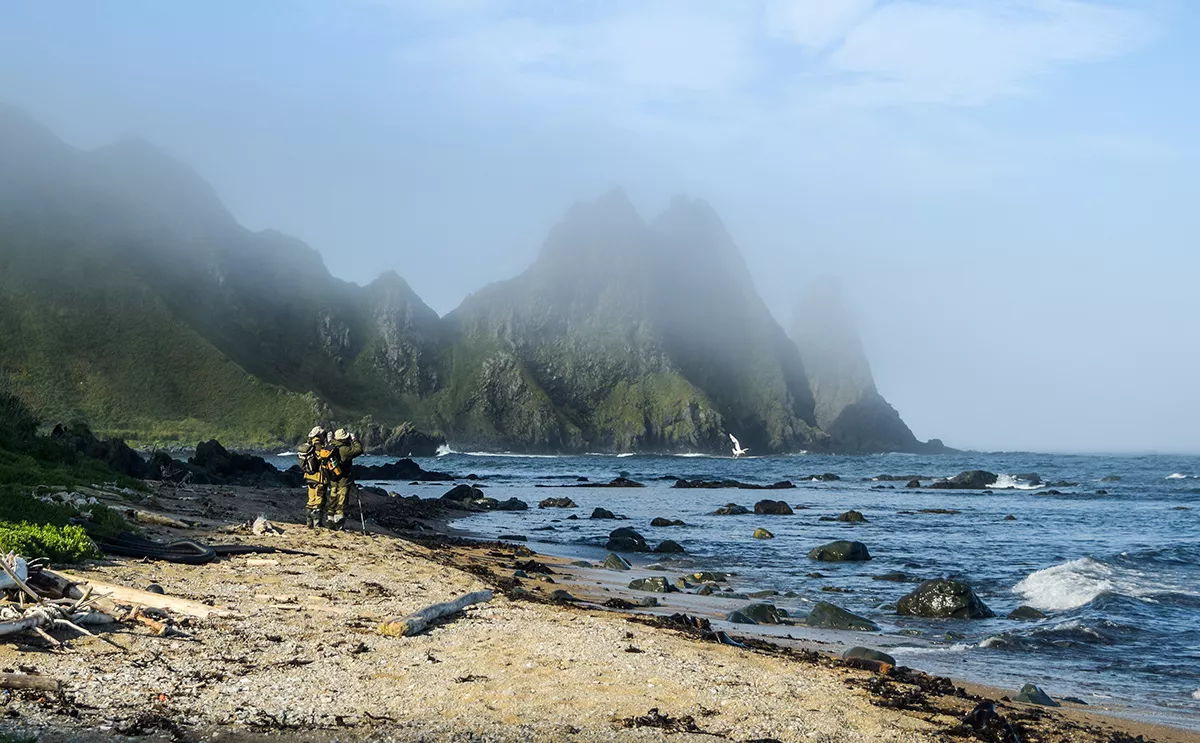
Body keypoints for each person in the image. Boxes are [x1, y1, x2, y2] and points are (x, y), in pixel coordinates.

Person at [323, 428, 363, 531]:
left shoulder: (331, 446)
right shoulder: (344, 449)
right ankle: (339, 523)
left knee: (333, 497)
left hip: (332, 477)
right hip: (343, 478)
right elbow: (359, 450)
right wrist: (354, 440)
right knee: (342, 499)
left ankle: (330, 520)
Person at [299, 426, 329, 528]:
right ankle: (317, 523)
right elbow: (323, 456)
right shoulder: (318, 444)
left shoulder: (309, 443)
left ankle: (309, 522)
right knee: (319, 499)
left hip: (308, 476)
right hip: (319, 477)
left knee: (311, 499)